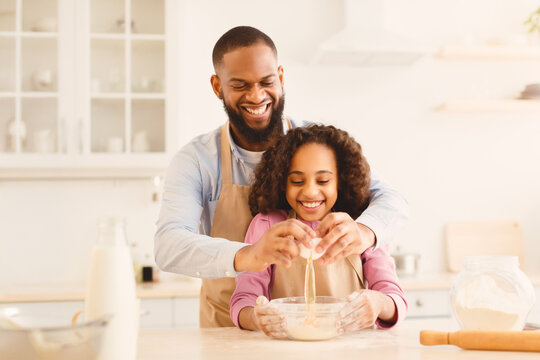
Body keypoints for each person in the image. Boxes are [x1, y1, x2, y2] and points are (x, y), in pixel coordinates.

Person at [154, 26, 409, 328]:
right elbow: (168, 246)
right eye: (240, 85)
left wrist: (366, 232)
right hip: (229, 331)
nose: (256, 95)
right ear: (217, 86)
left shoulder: (318, 144)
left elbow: (392, 199)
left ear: (281, 78)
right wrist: (250, 255)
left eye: (266, 81)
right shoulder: (197, 160)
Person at [230, 125, 407, 337]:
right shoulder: (267, 225)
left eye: (323, 180)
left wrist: (378, 304)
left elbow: (394, 298)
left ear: (340, 180)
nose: (310, 191)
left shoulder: (359, 227)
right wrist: (257, 318)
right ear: (282, 181)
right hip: (288, 350)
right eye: (296, 181)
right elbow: (244, 300)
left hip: (353, 349)